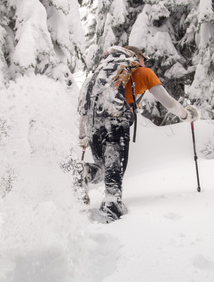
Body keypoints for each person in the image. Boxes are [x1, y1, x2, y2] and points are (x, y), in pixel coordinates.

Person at [77, 45, 199, 221]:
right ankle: (112, 204)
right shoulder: (142, 72)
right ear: (136, 56)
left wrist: (82, 136)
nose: (144, 61)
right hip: (116, 121)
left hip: (93, 124)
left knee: (104, 168)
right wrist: (186, 114)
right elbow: (168, 102)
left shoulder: (101, 75)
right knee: (115, 168)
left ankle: (83, 172)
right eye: (144, 58)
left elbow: (86, 106)